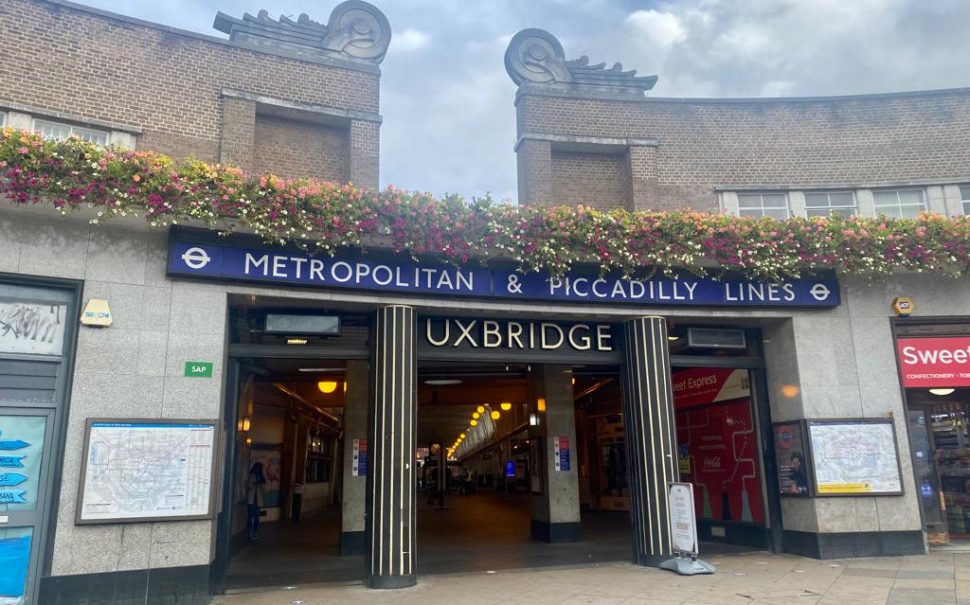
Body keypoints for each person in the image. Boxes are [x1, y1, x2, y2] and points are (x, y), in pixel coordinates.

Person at [246, 462, 266, 541]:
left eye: (259, 468)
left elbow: (264, 490)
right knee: (250, 518)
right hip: (251, 501)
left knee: (257, 519)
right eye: (257, 468)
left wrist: (261, 484)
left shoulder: (261, 477)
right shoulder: (251, 475)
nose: (258, 469)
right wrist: (254, 483)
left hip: (258, 501)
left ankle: (254, 532)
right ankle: (249, 533)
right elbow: (247, 486)